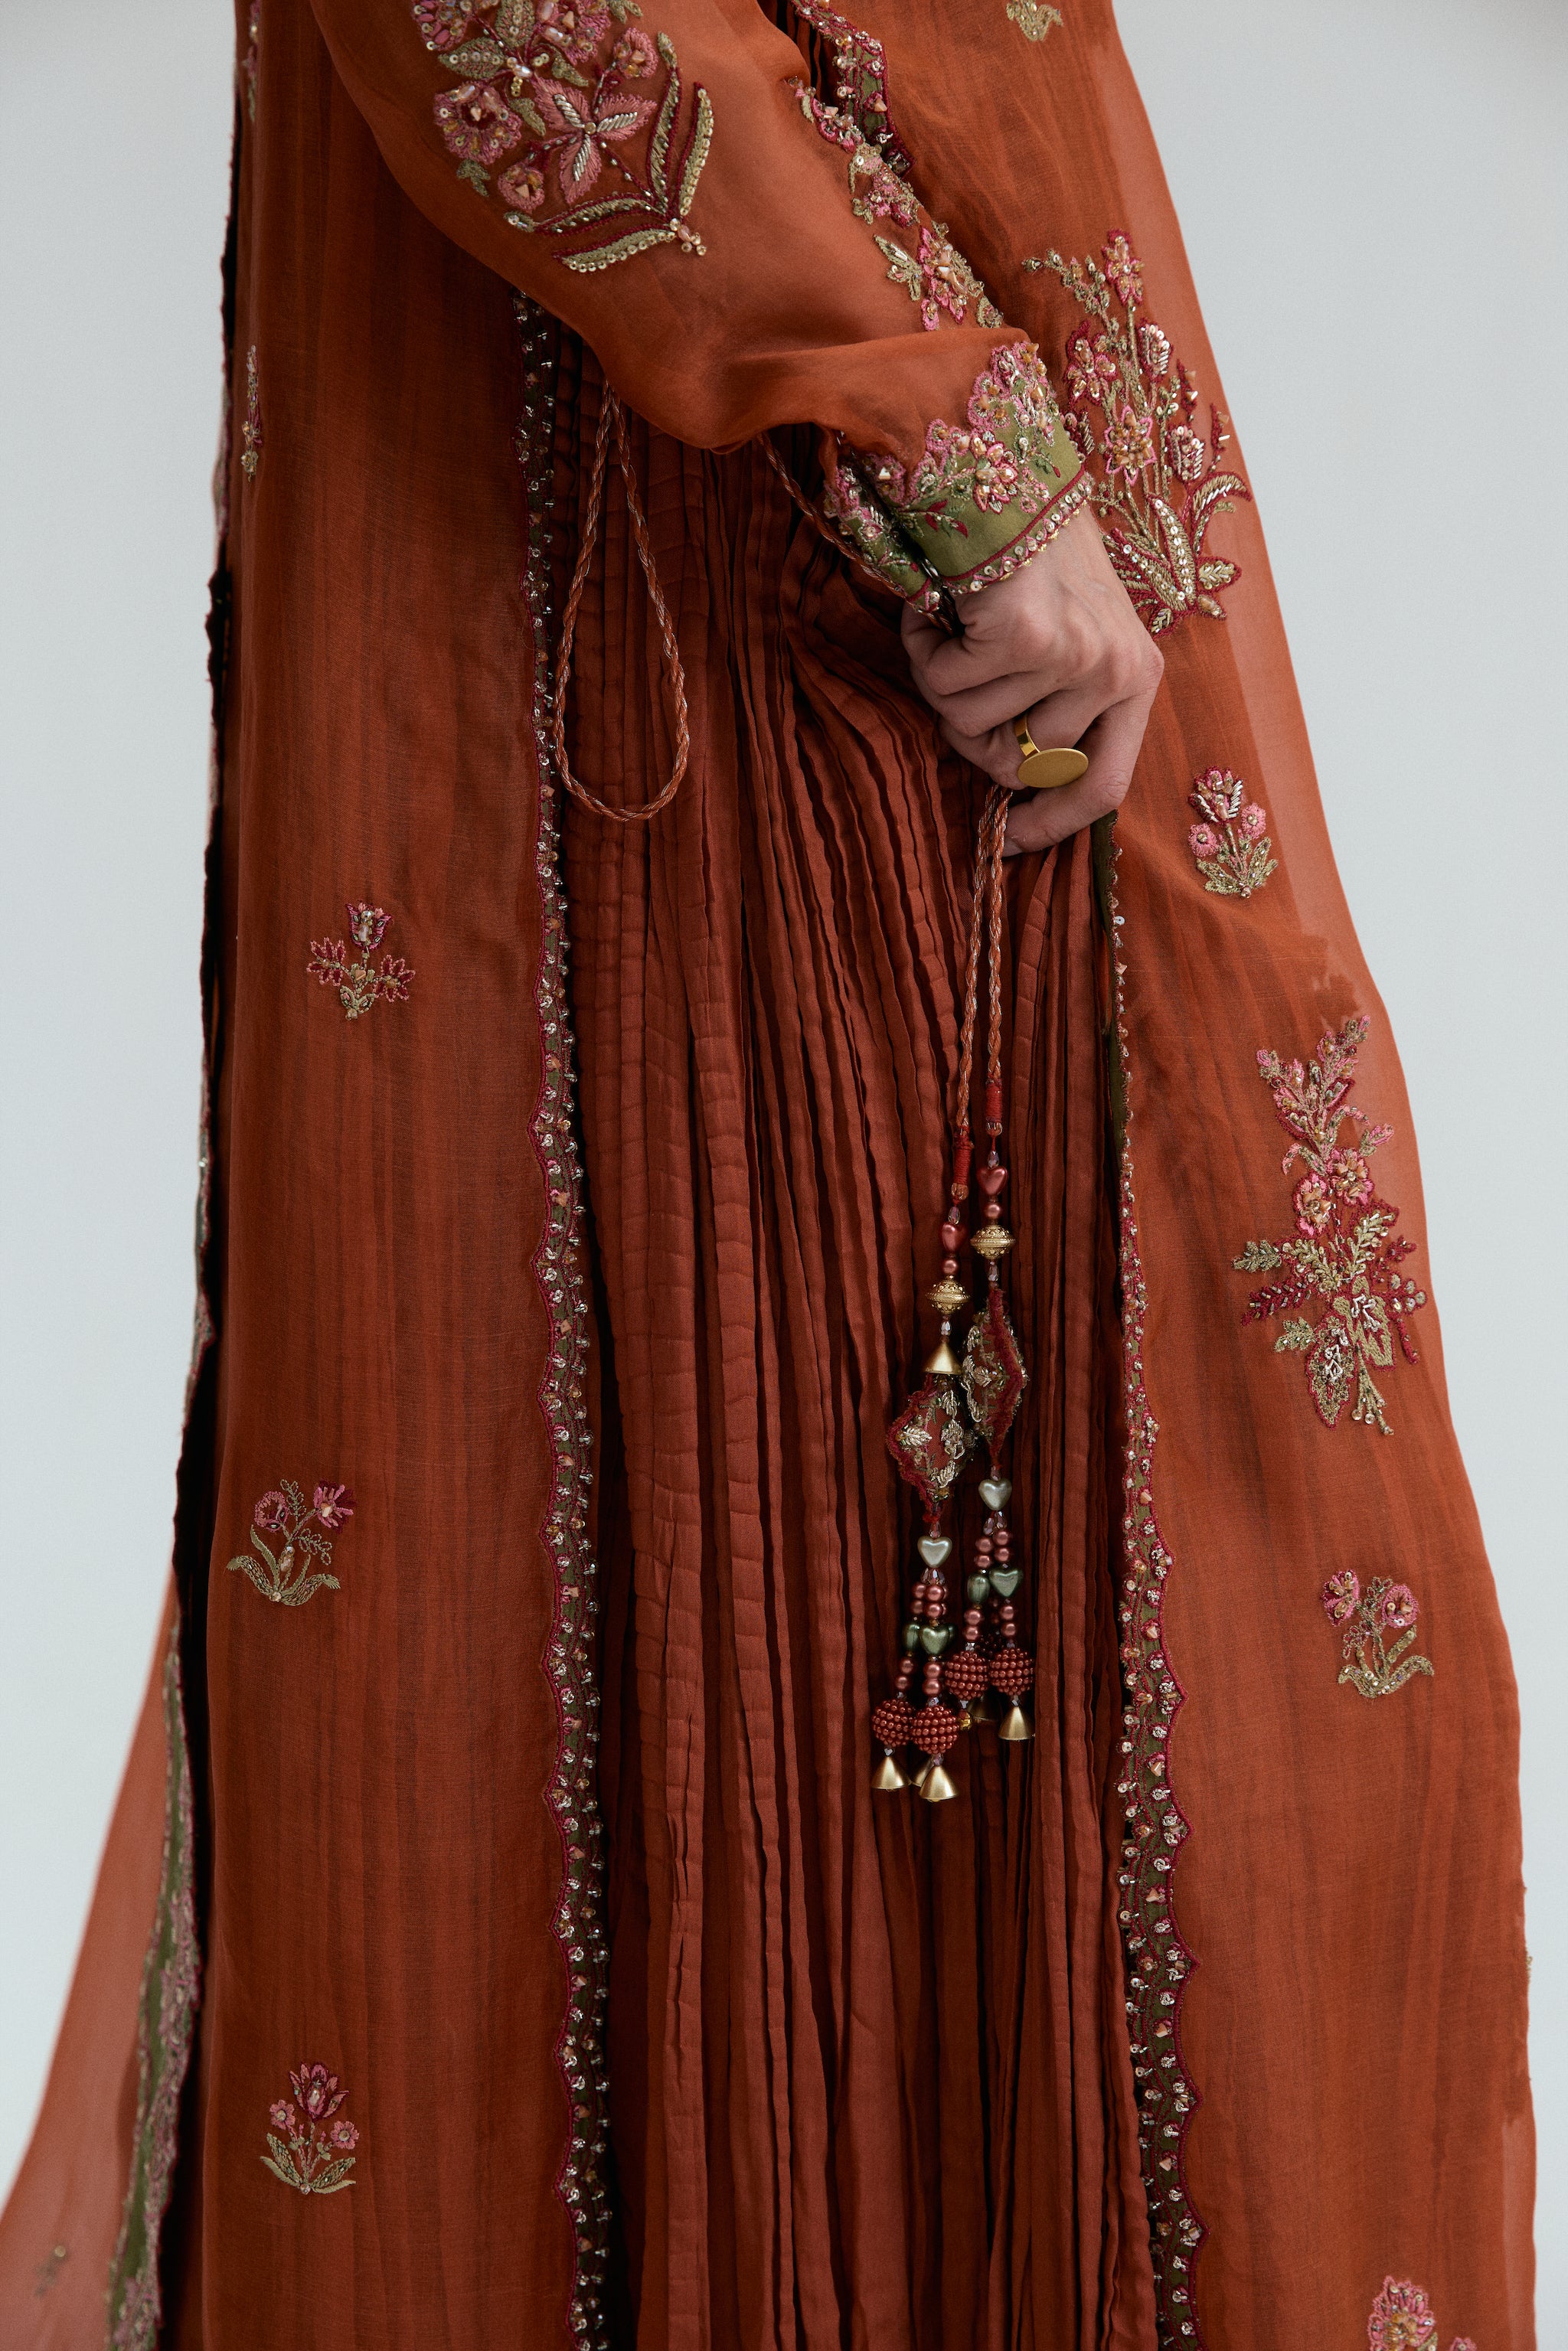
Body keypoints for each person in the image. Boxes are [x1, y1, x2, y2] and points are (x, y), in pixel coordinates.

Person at [0, 1, 1534, 2346]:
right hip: (739, 577)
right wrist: (933, 418)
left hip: (934, 487)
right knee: (729, 1660)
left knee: (1186, 1659)